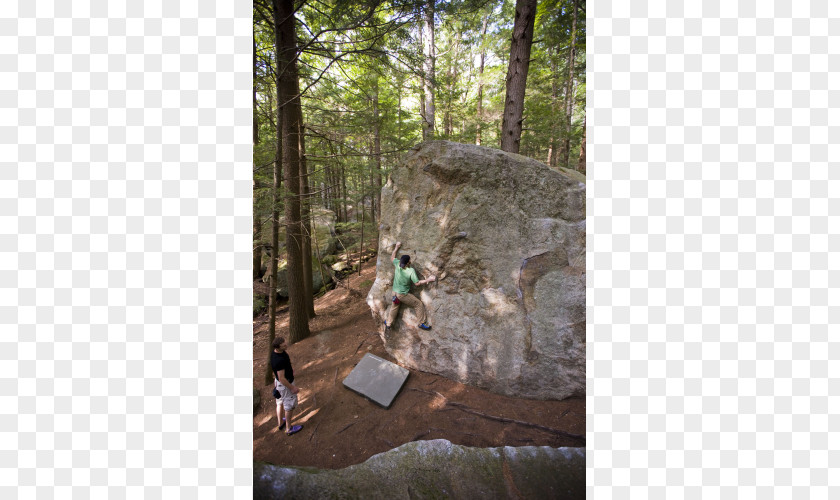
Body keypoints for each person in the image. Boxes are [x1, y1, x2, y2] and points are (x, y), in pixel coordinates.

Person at [384, 241, 436, 330]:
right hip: (402, 294)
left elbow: (392, 257)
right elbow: (417, 283)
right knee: (418, 304)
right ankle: (421, 323)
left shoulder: (397, 264)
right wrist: (429, 279)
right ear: (409, 262)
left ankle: (388, 323)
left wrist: (396, 247)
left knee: (395, 306)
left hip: (395, 293)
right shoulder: (410, 270)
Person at [270, 336, 303, 436]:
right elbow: (282, 378)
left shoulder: (275, 352)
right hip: (285, 385)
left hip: (278, 384)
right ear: (278, 347)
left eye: (285, 342)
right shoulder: (279, 360)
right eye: (284, 345)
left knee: (279, 403)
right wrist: (292, 387)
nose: (286, 344)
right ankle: (289, 428)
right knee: (289, 406)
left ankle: (280, 423)